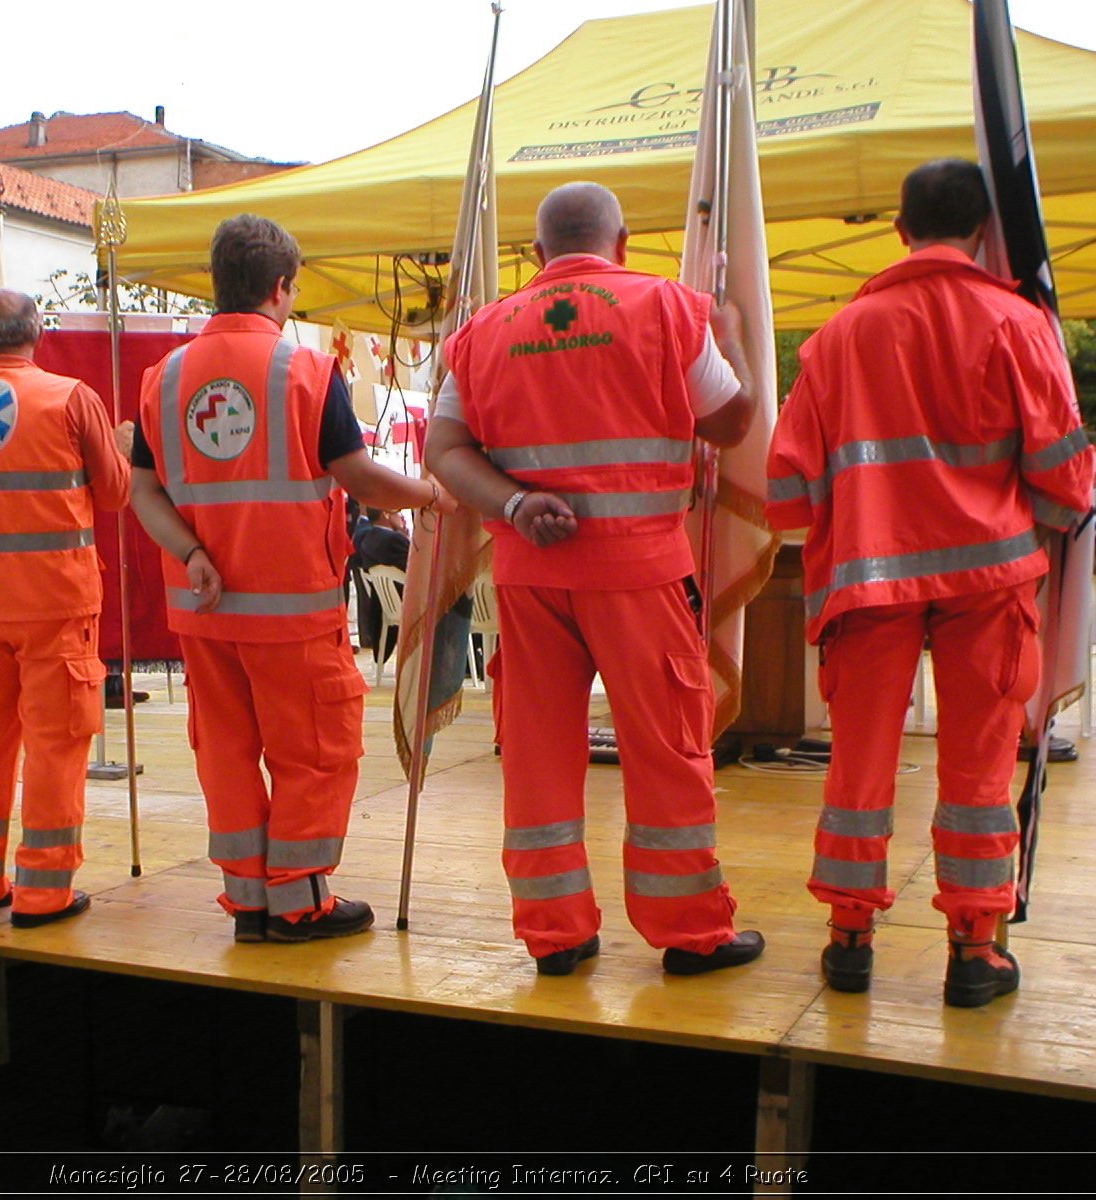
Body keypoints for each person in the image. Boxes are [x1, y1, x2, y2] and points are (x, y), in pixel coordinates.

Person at [764, 159, 1094, 1007]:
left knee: (858, 771)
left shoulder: (839, 335)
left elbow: (787, 492)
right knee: (979, 770)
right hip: (989, 583)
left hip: (868, 584)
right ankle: (974, 950)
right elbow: (1066, 482)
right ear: (985, 231)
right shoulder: (1019, 324)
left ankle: (848, 940)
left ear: (901, 229)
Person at [423, 181, 764, 978]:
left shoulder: (480, 333)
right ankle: (687, 929)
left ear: (538, 255)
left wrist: (512, 500)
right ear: (622, 243)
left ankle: (554, 932)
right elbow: (732, 420)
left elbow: (444, 450)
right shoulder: (671, 309)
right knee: (665, 750)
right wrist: (734, 335)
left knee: (539, 753)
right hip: (640, 576)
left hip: (529, 575)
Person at [130, 213, 453, 944]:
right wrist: (433, 494)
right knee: (313, 748)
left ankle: (248, 900)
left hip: (205, 613)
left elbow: (142, 490)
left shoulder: (164, 377)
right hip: (292, 611)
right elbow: (357, 474)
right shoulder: (304, 370)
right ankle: (300, 900)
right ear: (280, 289)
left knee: (226, 752)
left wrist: (190, 553)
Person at [0, 289, 133, 928]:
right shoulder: (71, 399)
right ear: (36, 331)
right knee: (55, 744)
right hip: (54, 603)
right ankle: (43, 889)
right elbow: (116, 494)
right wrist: (120, 444)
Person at [351, 506, 410, 655]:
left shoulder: (368, 538)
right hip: (408, 605)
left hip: (386, 608)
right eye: (398, 512)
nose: (402, 517)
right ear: (386, 514)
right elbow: (416, 569)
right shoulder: (394, 540)